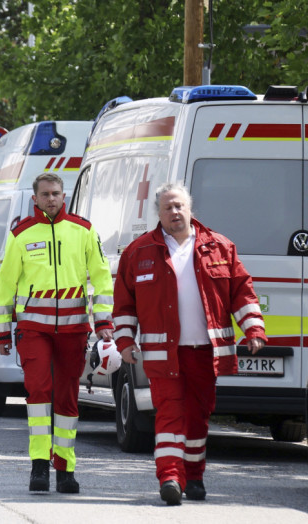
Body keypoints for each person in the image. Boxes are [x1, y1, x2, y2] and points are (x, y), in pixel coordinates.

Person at [113, 182, 267, 506]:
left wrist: (253, 330)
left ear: (190, 208)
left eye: (179, 206)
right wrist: (125, 341)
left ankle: (194, 475)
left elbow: (242, 292)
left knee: (198, 416)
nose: (174, 212)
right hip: (163, 354)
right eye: (168, 207)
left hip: (205, 353)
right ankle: (170, 477)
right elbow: (124, 305)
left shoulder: (220, 247)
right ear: (158, 213)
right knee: (169, 414)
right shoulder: (138, 252)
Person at [0, 173, 114, 494]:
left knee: (66, 397)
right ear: (35, 198)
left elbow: (102, 279)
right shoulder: (20, 235)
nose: (51, 199)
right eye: (45, 194)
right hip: (34, 329)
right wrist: (3, 333)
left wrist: (103, 323)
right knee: (38, 391)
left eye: (56, 193)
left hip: (73, 329)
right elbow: (4, 287)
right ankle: (37, 466)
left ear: (64, 196)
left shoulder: (84, 231)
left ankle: (65, 468)